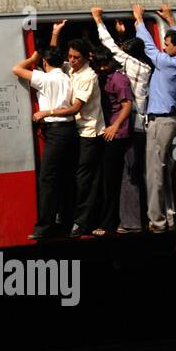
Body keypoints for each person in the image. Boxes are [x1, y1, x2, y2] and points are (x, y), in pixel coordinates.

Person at [134, 3, 176, 232]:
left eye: (167, 44)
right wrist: (171, 21)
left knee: (154, 172)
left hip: (160, 122)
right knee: (165, 170)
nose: (164, 47)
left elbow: (149, 47)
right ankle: (169, 217)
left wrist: (140, 21)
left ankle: (157, 222)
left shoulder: (167, 63)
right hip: (173, 122)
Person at [91, 7, 153, 233]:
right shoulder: (144, 67)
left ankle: (131, 223)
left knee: (129, 176)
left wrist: (98, 20)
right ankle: (141, 219)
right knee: (137, 173)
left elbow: (111, 49)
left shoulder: (128, 67)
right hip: (141, 126)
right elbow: (127, 51)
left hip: (130, 126)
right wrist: (132, 27)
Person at [12, 31, 75, 241]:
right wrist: (55, 34)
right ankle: (66, 223)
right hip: (69, 130)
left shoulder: (44, 79)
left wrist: (32, 58)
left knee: (47, 179)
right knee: (66, 178)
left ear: (45, 62)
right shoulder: (67, 76)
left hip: (55, 132)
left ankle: (44, 227)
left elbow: (17, 69)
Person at [42, 37, 106, 238]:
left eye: (76, 57)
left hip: (88, 132)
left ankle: (82, 222)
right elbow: (52, 61)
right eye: (70, 56)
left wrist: (48, 112)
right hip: (75, 130)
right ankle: (69, 217)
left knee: (84, 180)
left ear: (86, 57)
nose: (72, 60)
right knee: (71, 176)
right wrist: (54, 34)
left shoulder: (89, 76)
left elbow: (76, 107)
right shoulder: (71, 68)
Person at [91, 51, 133, 237]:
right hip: (106, 130)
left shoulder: (119, 79)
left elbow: (127, 105)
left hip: (116, 134)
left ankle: (109, 223)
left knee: (111, 180)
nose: (100, 69)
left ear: (110, 62)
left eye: (103, 65)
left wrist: (115, 125)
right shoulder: (104, 76)